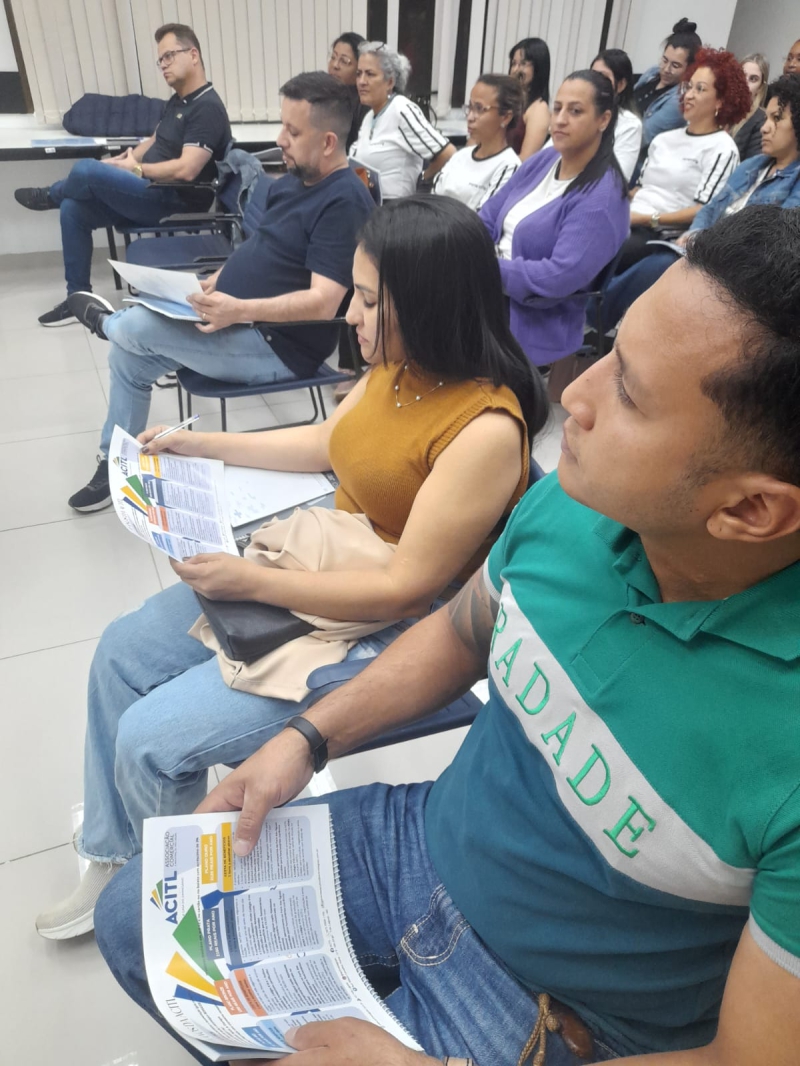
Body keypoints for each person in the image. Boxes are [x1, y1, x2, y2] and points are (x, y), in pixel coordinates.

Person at [96, 204, 800, 1066]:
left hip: (556, 1007)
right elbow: (465, 630)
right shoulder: (577, 508)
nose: (571, 396)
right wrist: (308, 737)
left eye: (627, 392)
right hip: (425, 840)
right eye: (609, 351)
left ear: (750, 510)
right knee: (133, 921)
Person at [34, 194, 546, 942]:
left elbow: (405, 588)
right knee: (120, 652)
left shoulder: (486, 430)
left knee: (150, 738)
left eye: (367, 299)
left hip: (385, 624)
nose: (350, 315)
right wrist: (198, 444)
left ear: (428, 303)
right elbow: (324, 443)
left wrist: (251, 582)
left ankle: (169, 908)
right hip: (326, 561)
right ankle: (118, 857)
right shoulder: (396, 366)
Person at [64, 72, 374, 513]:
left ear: (328, 142)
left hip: (278, 346)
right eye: (282, 126)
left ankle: (105, 322)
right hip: (235, 319)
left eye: (293, 131)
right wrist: (221, 276)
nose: (280, 139)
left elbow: (324, 303)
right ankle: (117, 465)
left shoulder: (344, 202)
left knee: (133, 328)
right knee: (128, 357)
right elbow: (262, 245)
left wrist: (239, 309)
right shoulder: (293, 180)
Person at [14, 24, 230, 327]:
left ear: (193, 55)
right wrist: (124, 160)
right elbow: (155, 140)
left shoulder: (207, 108)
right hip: (150, 189)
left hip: (174, 202)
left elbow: (187, 168)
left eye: (169, 56)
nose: (163, 65)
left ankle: (50, 195)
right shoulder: (179, 100)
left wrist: (136, 169)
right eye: (160, 60)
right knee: (73, 209)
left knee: (86, 170)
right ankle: (78, 298)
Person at [595, 74, 800, 331]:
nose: (764, 128)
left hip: (743, 268)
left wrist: (709, 243)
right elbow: (712, 208)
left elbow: (775, 240)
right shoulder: (753, 166)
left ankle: (591, 318)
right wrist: (694, 234)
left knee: (661, 265)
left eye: (777, 119)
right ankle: (595, 322)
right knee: (636, 250)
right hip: (707, 249)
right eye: (767, 118)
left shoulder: (795, 180)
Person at [480, 70, 629, 368]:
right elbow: (488, 215)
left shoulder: (601, 198)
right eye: (557, 108)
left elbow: (558, 277)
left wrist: (482, 268)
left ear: (603, 119)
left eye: (575, 111)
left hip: (529, 321)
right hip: (489, 292)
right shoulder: (546, 160)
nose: (559, 120)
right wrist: (463, 248)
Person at [616, 49, 748, 275]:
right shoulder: (663, 139)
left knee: (605, 249)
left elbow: (704, 210)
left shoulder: (722, 149)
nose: (689, 95)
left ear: (720, 101)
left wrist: (647, 219)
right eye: (689, 86)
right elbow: (640, 189)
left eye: (700, 89)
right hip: (630, 217)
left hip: (659, 233)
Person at [348, 42, 455, 199]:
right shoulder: (369, 117)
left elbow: (447, 153)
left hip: (397, 207)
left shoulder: (401, 109)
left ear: (390, 82)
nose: (361, 81)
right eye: (359, 74)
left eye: (370, 74)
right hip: (372, 205)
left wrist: (422, 181)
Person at [432, 74, 522, 210]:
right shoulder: (460, 156)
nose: (470, 117)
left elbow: (483, 217)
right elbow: (432, 200)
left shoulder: (508, 166)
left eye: (479, 109)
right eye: (470, 107)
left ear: (505, 117)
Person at [633, 18, 701, 151]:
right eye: (664, 60)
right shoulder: (652, 73)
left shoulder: (679, 101)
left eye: (675, 65)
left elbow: (643, 137)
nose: (666, 69)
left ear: (690, 69)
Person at [591, 48, 642, 181]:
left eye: (603, 77)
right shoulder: (579, 113)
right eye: (592, 75)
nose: (595, 82)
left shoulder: (630, 125)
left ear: (620, 85)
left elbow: (617, 179)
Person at [507, 36, 551, 158]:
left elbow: (526, 159)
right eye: (513, 63)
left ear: (538, 68)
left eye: (523, 64)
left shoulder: (539, 109)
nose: (516, 70)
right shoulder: (510, 100)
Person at [327, 30, 367, 150]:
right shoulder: (326, 95)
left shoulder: (365, 104)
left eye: (344, 61)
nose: (335, 65)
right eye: (333, 57)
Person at [731, 53, 770, 160]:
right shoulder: (720, 109)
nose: (745, 83)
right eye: (742, 76)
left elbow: (751, 165)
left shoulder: (761, 120)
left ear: (760, 87)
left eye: (753, 79)